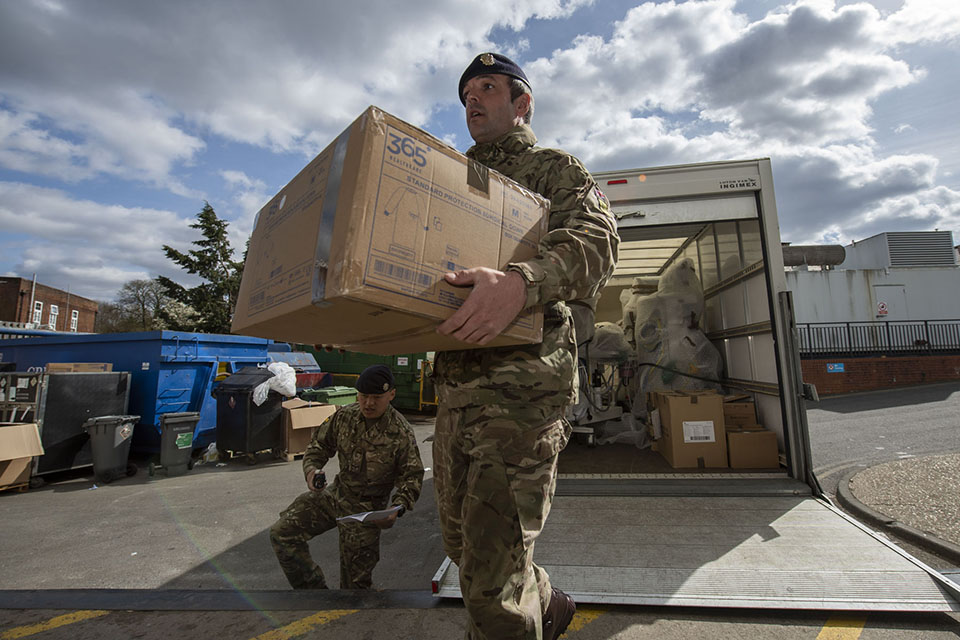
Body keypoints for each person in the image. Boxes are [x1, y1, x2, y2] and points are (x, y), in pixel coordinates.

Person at [433, 53, 620, 640]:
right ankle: (550, 605)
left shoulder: (551, 169)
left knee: (491, 592)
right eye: (466, 93)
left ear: (522, 104)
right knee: (465, 548)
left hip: (523, 393)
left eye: (487, 87)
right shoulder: (447, 177)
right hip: (455, 392)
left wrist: (521, 283)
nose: (473, 100)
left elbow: (598, 243)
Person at [269, 364, 424, 589]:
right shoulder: (345, 416)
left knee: (354, 587)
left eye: (376, 397)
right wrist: (312, 470)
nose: (368, 403)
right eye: (363, 396)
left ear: (391, 394)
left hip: (368, 510)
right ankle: (313, 592)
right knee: (282, 533)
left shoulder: (400, 432)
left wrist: (397, 508)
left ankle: (351, 617)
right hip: (336, 496)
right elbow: (318, 446)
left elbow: (412, 476)